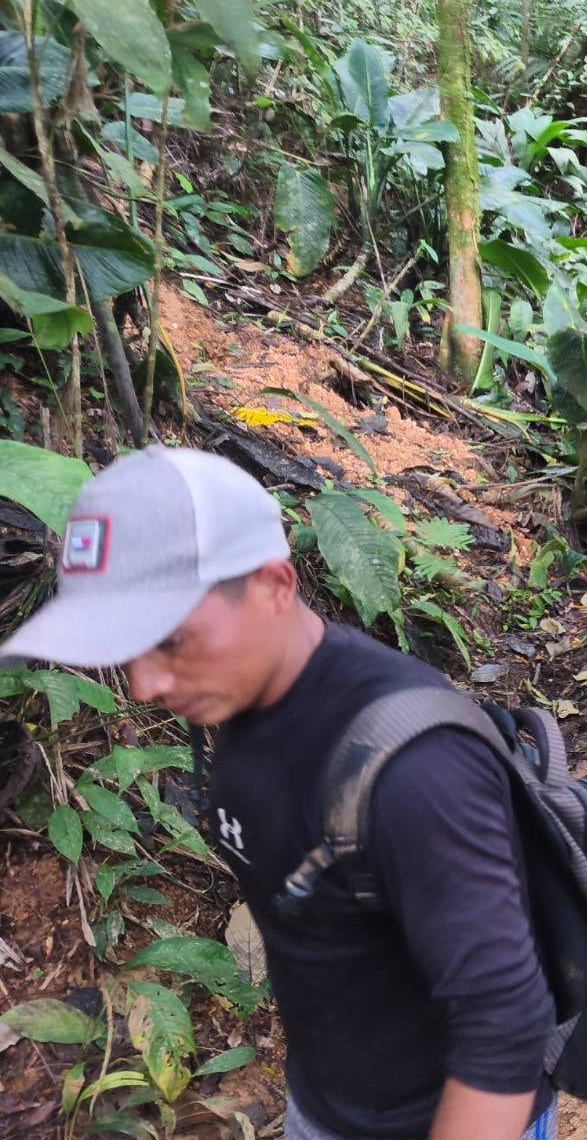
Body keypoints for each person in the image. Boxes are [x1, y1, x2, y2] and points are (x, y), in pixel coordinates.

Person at [0, 448, 558, 1140]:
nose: (144, 687)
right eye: (125, 646)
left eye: (171, 639)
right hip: (325, 1102)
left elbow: (503, 1026)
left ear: (274, 585)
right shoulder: (235, 698)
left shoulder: (416, 767)